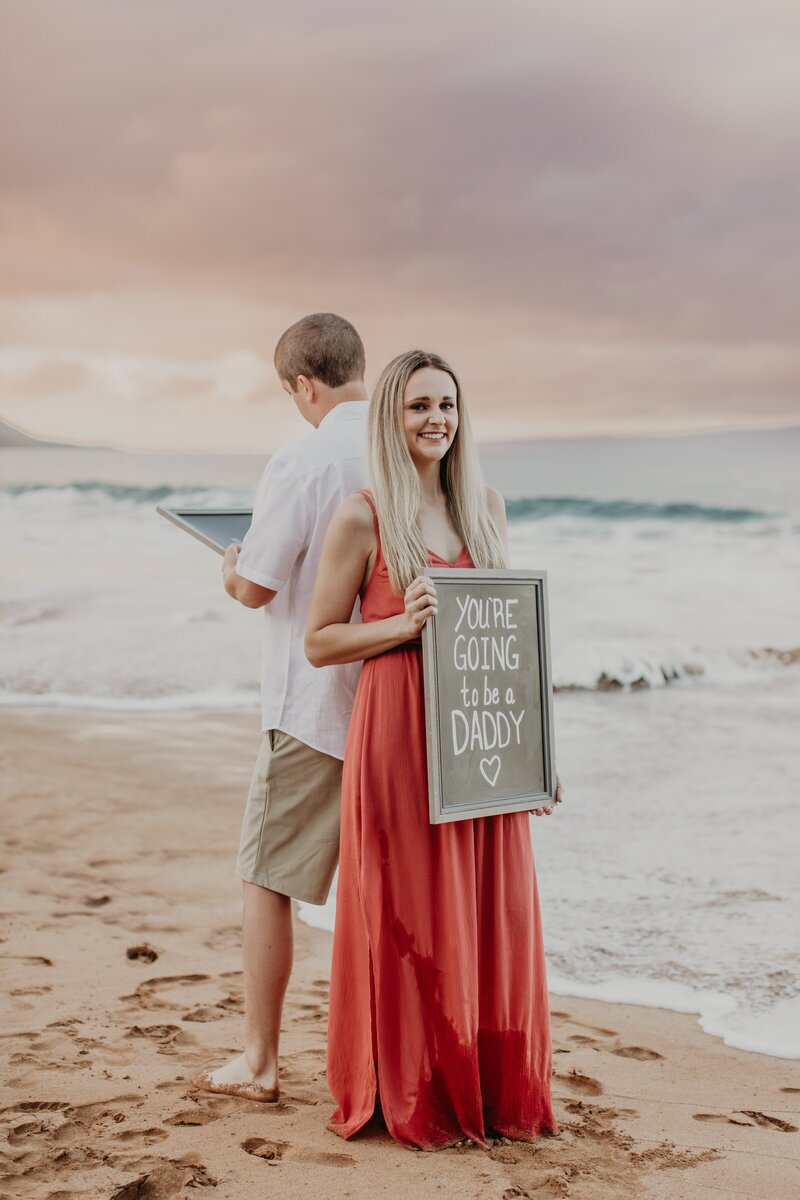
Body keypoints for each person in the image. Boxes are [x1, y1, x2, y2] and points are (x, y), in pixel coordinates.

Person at [305, 349, 560, 1150]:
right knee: (406, 906)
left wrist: (536, 751)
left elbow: (506, 640)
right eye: (418, 406)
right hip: (394, 732)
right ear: (392, 415)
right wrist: (400, 626)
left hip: (476, 732)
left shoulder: (486, 506)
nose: (435, 420)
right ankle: (409, 1085)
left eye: (446, 405)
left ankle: (482, 1080)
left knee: (491, 907)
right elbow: (320, 641)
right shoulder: (362, 515)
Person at [192, 313, 369, 1102]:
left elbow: (260, 586)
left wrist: (230, 567)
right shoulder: (414, 439)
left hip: (318, 706)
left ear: (305, 385)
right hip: (398, 700)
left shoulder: (305, 455)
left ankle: (259, 1061)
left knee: (266, 876)